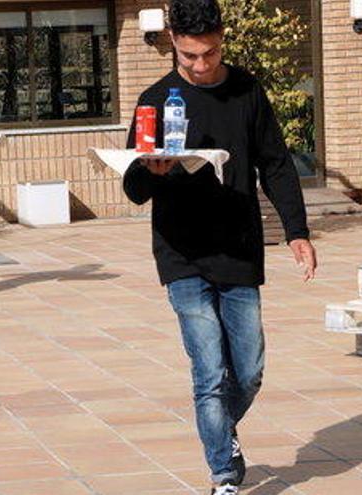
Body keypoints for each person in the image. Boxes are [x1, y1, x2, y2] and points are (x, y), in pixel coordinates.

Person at [122, 0, 318, 493]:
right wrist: (150, 170)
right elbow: (132, 187)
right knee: (209, 370)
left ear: (222, 38)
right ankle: (224, 475)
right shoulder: (155, 98)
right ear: (172, 41)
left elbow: (275, 164)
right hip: (180, 253)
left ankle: (221, 431)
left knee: (248, 371)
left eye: (209, 53)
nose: (201, 65)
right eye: (189, 56)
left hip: (238, 248)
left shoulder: (248, 90)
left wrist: (297, 231)